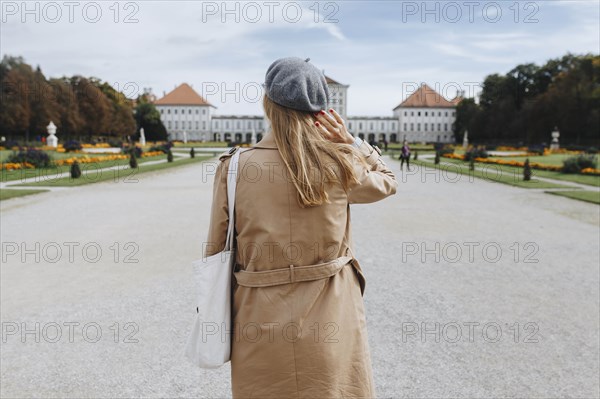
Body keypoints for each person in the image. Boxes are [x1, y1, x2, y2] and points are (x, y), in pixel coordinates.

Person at [204, 57, 398, 398]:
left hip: (258, 315)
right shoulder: (340, 163)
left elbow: (215, 251)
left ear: (268, 103)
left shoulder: (235, 167)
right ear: (320, 111)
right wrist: (351, 141)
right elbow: (387, 182)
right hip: (331, 313)